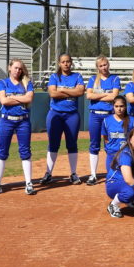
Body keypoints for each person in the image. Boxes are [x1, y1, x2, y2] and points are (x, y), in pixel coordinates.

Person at [40, 53, 85, 186]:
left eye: (68, 61)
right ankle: (48, 173)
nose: (66, 64)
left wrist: (63, 89)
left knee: (72, 144)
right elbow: (53, 93)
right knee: (53, 144)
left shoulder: (77, 76)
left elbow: (80, 92)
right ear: (59, 63)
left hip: (72, 115)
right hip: (56, 114)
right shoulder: (54, 76)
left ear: (71, 63)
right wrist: (71, 91)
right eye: (63, 62)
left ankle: (73, 173)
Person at [0, 59, 35, 194]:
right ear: (9, 68)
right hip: (6, 120)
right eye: (15, 68)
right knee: (2, 151)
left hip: (23, 121)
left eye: (20, 68)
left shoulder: (27, 83)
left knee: (25, 151)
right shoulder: (2, 83)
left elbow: (29, 99)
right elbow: (3, 101)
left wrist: (12, 97)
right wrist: (20, 98)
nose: (18, 71)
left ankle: (29, 183)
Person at [84, 55, 120, 185]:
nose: (103, 67)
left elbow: (114, 96)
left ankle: (111, 173)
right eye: (101, 66)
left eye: (105, 65)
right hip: (95, 115)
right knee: (94, 144)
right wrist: (106, 95)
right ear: (97, 67)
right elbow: (88, 95)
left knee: (109, 144)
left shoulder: (115, 78)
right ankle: (93, 175)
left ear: (108, 65)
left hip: (109, 116)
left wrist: (97, 96)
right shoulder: (93, 79)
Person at [100, 96, 130, 171]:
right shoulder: (107, 121)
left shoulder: (132, 121)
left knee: (127, 179)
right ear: (113, 107)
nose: (119, 109)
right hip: (112, 154)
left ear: (125, 107)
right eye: (116, 106)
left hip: (126, 155)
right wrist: (109, 150)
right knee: (111, 179)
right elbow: (106, 138)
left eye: (121, 106)